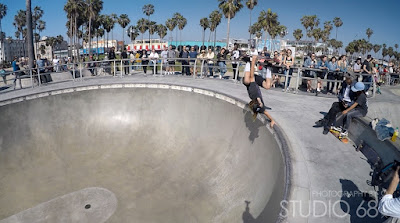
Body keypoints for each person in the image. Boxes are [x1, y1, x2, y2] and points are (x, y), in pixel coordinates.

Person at [242, 55, 275, 128]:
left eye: (259, 103)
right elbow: (266, 113)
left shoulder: (253, 92)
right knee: (268, 86)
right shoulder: (260, 107)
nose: (261, 103)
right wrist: (272, 120)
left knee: (247, 81)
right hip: (255, 81)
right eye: (261, 104)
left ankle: (248, 62)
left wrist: (253, 61)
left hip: (251, 80)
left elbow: (252, 76)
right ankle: (269, 68)